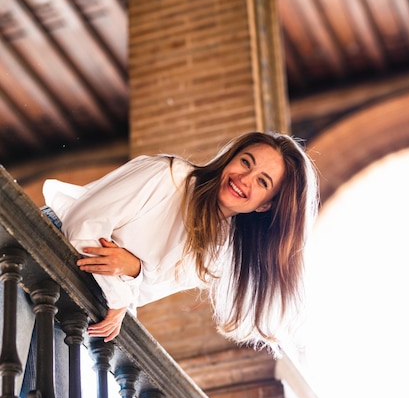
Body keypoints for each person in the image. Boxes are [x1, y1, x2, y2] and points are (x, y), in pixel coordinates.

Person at [43, 131, 319, 355]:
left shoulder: (213, 256)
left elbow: (141, 290)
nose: (244, 179)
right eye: (245, 162)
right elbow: (83, 224)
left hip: (84, 289)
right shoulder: (168, 176)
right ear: (229, 158)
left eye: (262, 181)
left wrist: (136, 269)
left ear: (266, 205)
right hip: (48, 242)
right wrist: (120, 297)